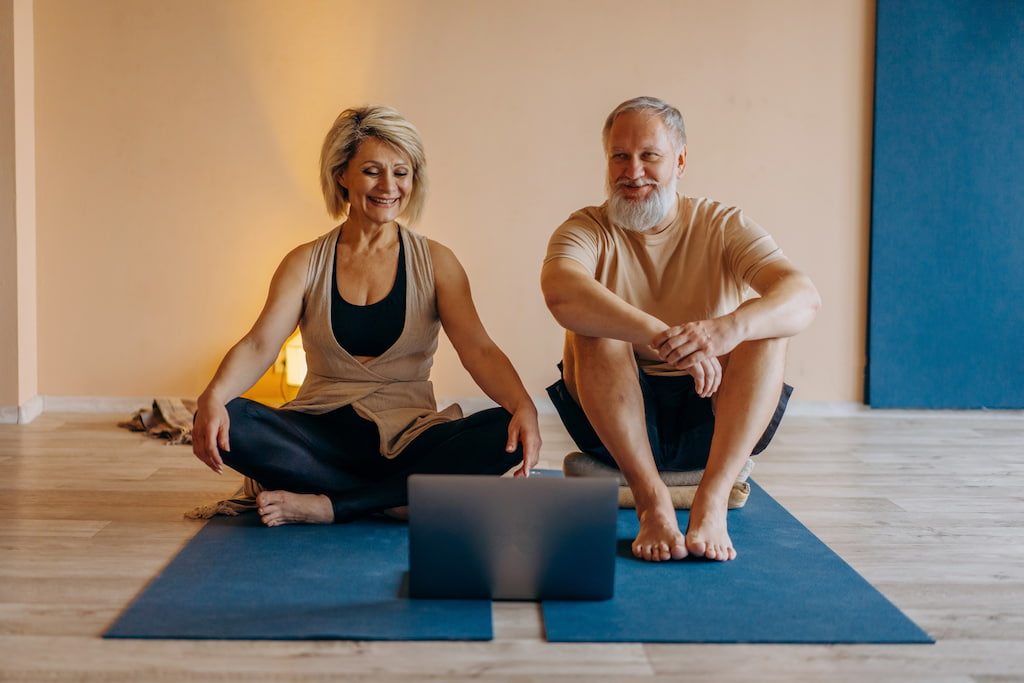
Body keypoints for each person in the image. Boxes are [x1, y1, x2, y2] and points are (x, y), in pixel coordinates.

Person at [192, 105, 541, 527]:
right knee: (237, 420)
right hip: (320, 430)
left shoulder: (438, 263)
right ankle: (398, 499)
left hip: (408, 433)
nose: (388, 186)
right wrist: (212, 398)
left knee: (507, 430)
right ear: (342, 174)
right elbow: (260, 344)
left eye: (401, 172)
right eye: (372, 171)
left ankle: (330, 503)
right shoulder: (305, 262)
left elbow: (479, 349)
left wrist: (524, 406)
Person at [541, 96, 820, 562]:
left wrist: (724, 331)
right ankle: (652, 503)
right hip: (616, 425)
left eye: (650, 155)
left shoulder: (722, 224)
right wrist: (660, 337)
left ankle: (711, 501)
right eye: (620, 156)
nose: (633, 171)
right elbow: (560, 291)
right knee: (592, 324)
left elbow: (802, 296)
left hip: (711, 417)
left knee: (766, 324)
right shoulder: (585, 228)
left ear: (680, 161)